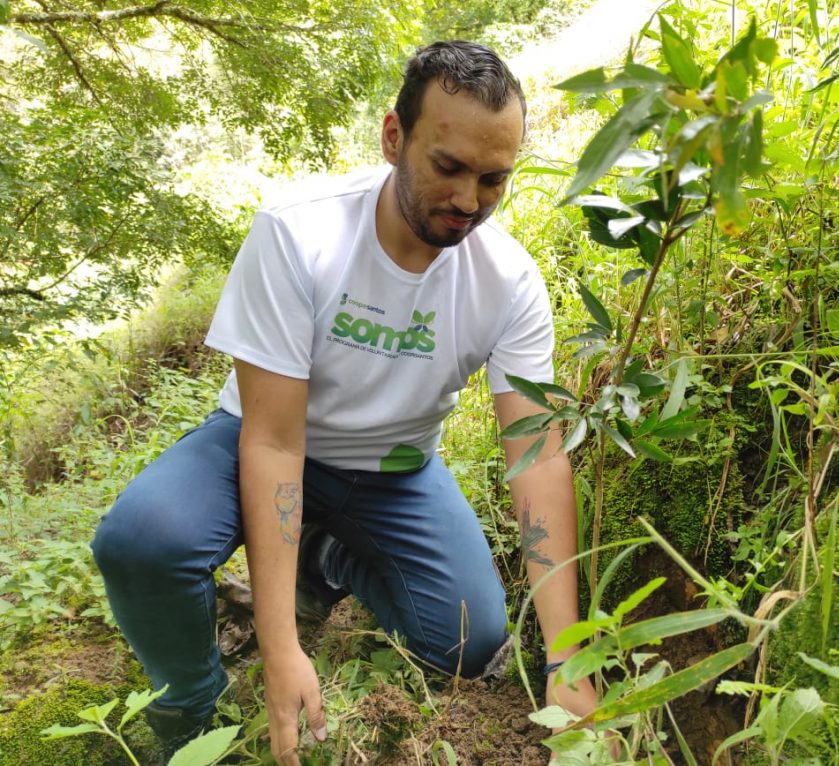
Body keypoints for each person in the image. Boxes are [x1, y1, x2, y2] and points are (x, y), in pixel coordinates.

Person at [91, 40, 599, 765]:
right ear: (394, 137)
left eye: (493, 180)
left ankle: (323, 558)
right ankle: (190, 710)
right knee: (143, 542)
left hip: (396, 472)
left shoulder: (510, 281)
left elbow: (538, 456)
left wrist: (566, 661)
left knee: (470, 639)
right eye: (447, 167)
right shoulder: (299, 233)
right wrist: (280, 648)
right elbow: (271, 443)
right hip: (258, 440)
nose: (467, 201)